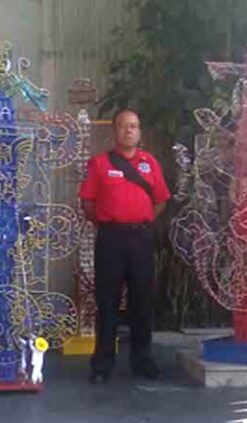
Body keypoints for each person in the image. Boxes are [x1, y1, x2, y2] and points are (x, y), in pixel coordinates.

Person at [79, 108, 171, 383]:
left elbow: (161, 200)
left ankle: (142, 360)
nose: (129, 130)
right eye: (123, 126)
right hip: (111, 239)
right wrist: (113, 223)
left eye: (134, 126)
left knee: (142, 300)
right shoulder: (100, 163)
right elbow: (88, 204)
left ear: (139, 131)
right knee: (107, 301)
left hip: (141, 238)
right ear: (114, 130)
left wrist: (139, 221)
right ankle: (102, 364)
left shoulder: (150, 163)